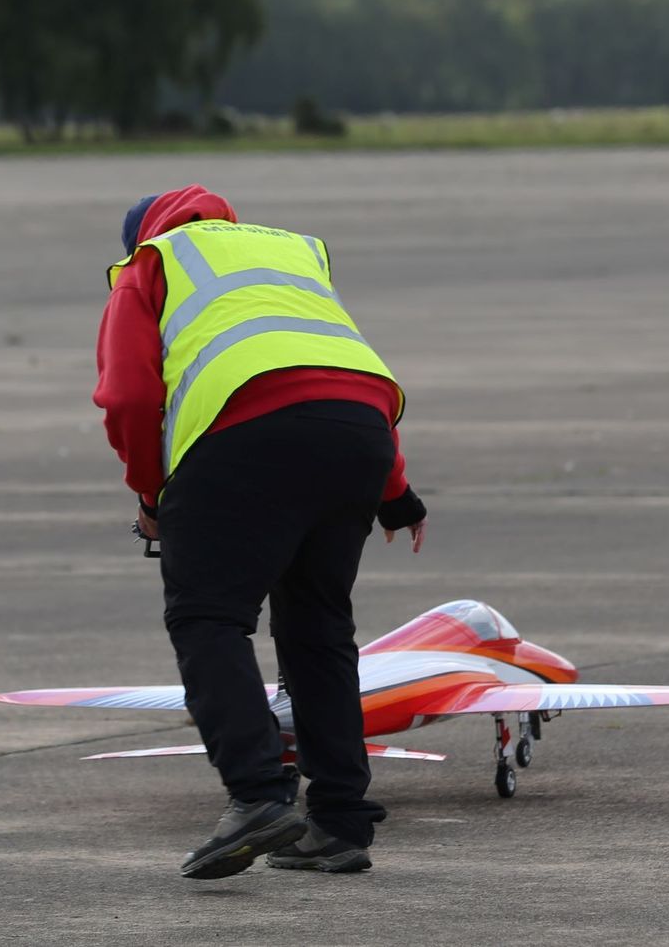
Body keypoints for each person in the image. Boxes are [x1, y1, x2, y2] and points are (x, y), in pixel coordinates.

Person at [93, 184, 428, 879]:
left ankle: (257, 796)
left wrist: (151, 493)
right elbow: (332, 366)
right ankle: (338, 823)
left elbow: (128, 395)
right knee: (318, 629)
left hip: (245, 431)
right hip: (361, 432)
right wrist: (396, 494)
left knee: (208, 617)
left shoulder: (152, 260)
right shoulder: (293, 254)